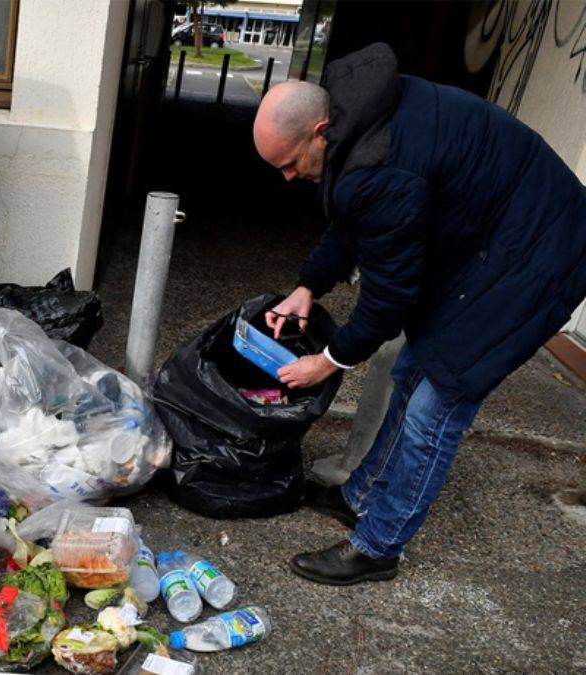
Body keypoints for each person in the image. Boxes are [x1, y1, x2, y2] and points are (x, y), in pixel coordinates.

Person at [251, 43, 586, 585]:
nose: (287, 178)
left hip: (540, 255)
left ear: (319, 129)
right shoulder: (356, 125)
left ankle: (380, 545)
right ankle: (360, 496)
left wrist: (331, 360)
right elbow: (353, 214)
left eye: (289, 164)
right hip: (499, 238)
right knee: (412, 368)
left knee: (439, 400)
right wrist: (309, 285)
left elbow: (389, 296)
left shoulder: (378, 164)